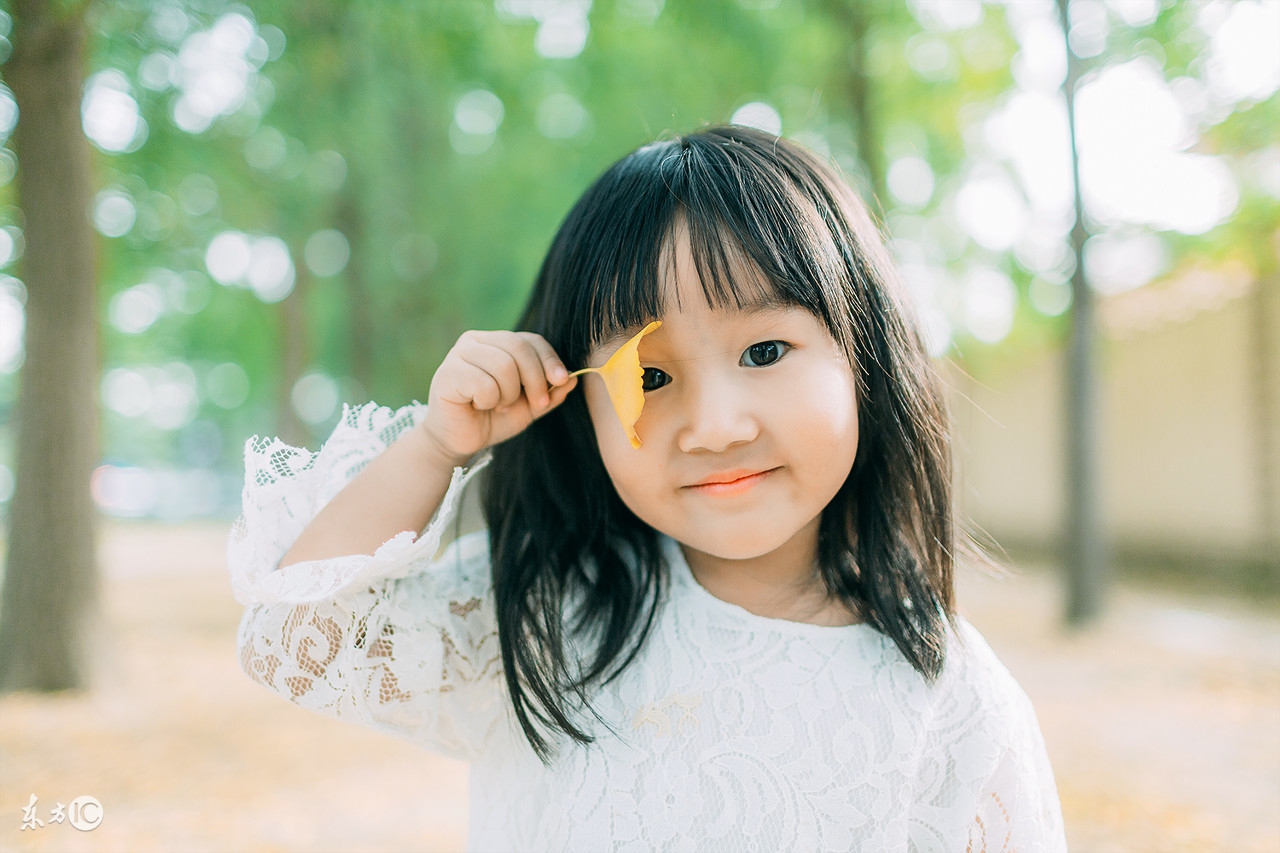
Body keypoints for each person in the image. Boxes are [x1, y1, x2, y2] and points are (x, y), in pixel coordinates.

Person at [229, 125, 1067, 851]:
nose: (714, 424)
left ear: (864, 357)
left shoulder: (947, 700)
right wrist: (433, 445)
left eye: (765, 352)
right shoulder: (546, 617)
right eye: (653, 374)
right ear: (577, 402)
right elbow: (295, 637)